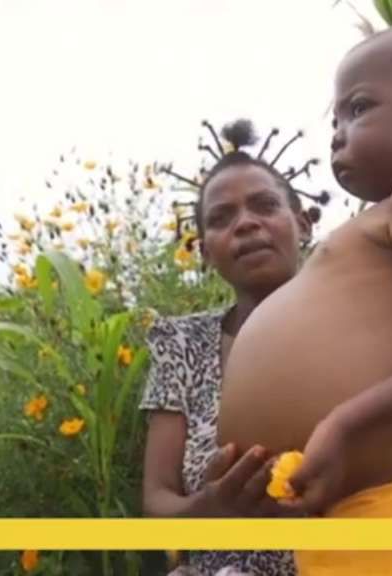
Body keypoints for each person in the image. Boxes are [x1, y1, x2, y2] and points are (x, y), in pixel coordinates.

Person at [218, 20, 392, 576]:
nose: (337, 133)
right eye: (335, 118)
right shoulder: (383, 223)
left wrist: (342, 424)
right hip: (354, 524)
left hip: (389, 527)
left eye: (359, 108)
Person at [140, 119, 323, 576]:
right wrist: (208, 507)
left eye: (264, 206)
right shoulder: (183, 344)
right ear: (204, 251)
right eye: (222, 218)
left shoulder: (359, 329)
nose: (246, 224)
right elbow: (156, 502)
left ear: (302, 224)